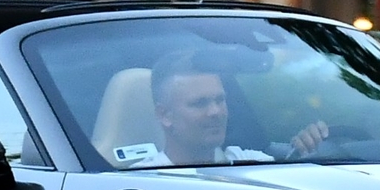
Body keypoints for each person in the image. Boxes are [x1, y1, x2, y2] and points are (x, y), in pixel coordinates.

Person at [138, 51, 331, 167]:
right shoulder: (141, 181)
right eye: (200, 103)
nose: (215, 112)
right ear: (164, 115)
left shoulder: (252, 163)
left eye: (220, 100)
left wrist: (306, 152)